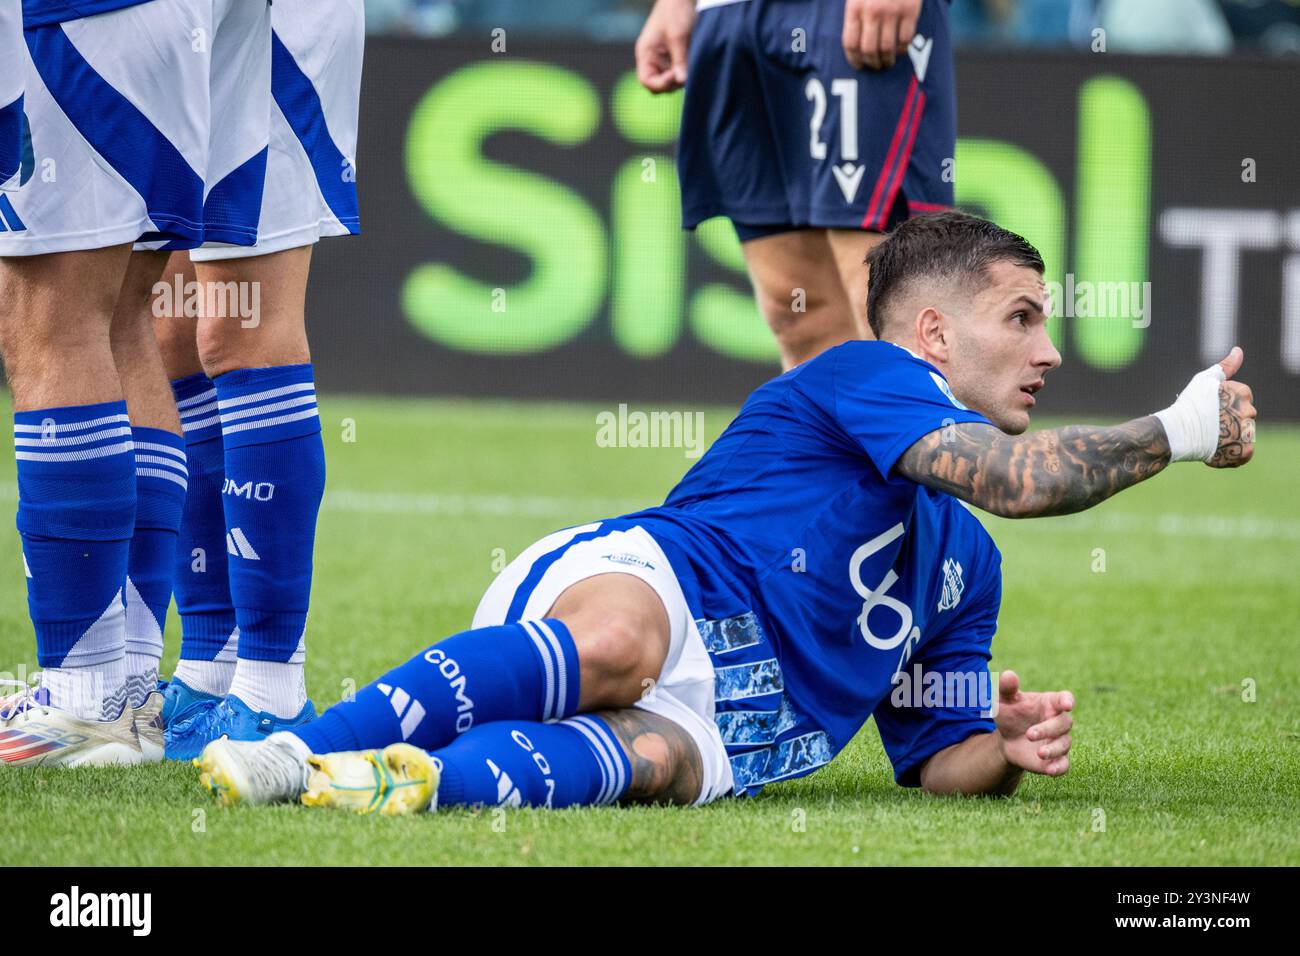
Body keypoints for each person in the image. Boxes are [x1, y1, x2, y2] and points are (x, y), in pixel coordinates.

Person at [192, 212, 1257, 813]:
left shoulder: (963, 566)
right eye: (1020, 318)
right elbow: (1021, 480)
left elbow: (938, 758)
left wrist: (1003, 746)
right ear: (930, 333)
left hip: (733, 728)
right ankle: (299, 746)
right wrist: (1182, 426)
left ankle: (387, 783)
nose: (1048, 351)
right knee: (614, 647)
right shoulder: (868, 374)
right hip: (655, 583)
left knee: (649, 761)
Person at [0, 0, 274, 765]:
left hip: (91, 12)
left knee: (48, 312)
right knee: (124, 311)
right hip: (198, 17)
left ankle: (83, 702)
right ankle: (125, 688)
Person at [146, 0, 366, 760]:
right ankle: (209, 664)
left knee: (238, 329)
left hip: (269, 19)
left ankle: (272, 688)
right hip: (166, 21)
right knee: (168, 328)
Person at [637, 0, 956, 368]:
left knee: (891, 309)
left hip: (847, 14)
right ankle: (837, 427)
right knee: (797, 316)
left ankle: (929, 426)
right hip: (725, 13)